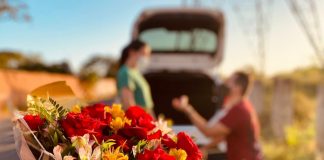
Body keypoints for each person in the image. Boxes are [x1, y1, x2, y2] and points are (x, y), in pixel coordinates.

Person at [172, 71, 262, 160]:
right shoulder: (243, 105)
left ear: (237, 88)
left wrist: (187, 108)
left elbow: (208, 131)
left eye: (229, 81)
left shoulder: (238, 111)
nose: (224, 83)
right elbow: (223, 135)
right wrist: (204, 148)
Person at [117, 39, 154, 116]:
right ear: (132, 52)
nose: (147, 57)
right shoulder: (125, 73)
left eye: (148, 54)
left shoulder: (136, 72)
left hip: (147, 117)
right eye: (144, 53)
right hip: (140, 122)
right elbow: (129, 106)